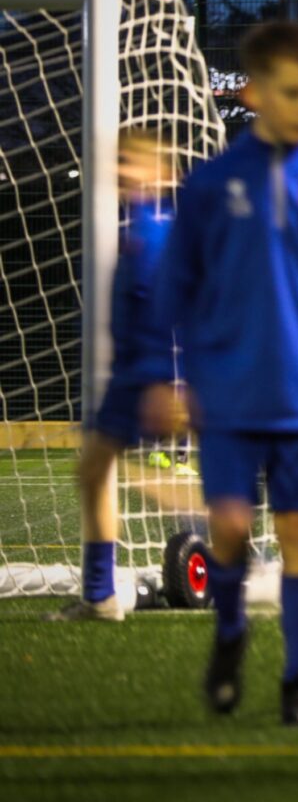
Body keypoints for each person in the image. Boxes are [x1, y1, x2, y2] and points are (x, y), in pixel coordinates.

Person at [148, 20, 298, 726]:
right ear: (255, 93)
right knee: (227, 527)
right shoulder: (212, 184)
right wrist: (159, 373)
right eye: (295, 92)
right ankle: (230, 634)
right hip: (224, 393)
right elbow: (175, 286)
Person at [44, 128, 183, 622]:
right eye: (119, 161)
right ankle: (100, 595)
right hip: (134, 374)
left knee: (101, 470)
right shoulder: (139, 227)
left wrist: (167, 381)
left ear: (163, 174)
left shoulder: (160, 233)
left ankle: (254, 548)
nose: (122, 170)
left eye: (133, 162)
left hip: (152, 376)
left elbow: (174, 311)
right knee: (94, 470)